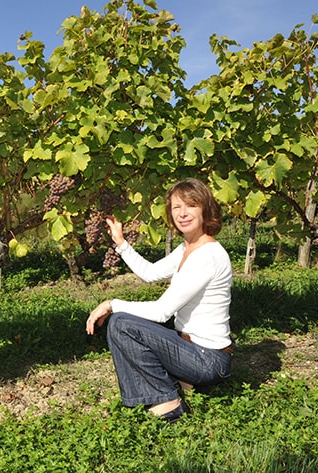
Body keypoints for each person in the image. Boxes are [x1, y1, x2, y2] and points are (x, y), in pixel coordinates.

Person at [86, 178, 234, 423]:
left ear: (205, 209)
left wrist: (111, 304)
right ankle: (179, 386)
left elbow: (162, 311)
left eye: (191, 206)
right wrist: (121, 243)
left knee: (122, 323)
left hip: (209, 359)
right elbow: (150, 273)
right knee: (120, 323)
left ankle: (169, 403)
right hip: (193, 349)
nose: (183, 213)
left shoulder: (207, 255)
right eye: (176, 207)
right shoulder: (188, 248)